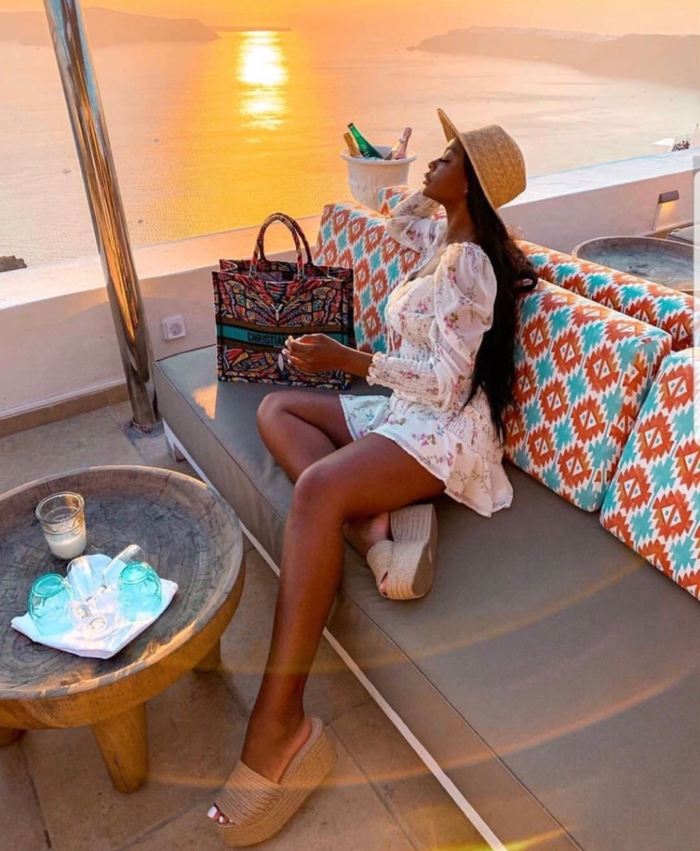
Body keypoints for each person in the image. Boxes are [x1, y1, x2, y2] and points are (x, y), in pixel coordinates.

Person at [207, 108, 537, 846]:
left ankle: (280, 724)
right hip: (401, 412)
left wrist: (348, 362)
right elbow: (397, 215)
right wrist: (432, 185)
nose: (432, 161)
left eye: (448, 156)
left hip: (445, 432)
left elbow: (449, 389)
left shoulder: (473, 262)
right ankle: (372, 531)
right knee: (278, 409)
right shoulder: (443, 237)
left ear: (473, 182)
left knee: (317, 488)